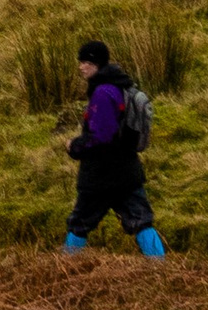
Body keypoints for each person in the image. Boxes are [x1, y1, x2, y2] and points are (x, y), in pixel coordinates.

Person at [63, 40, 167, 259]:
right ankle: (161, 267)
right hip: (127, 171)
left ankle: (64, 266)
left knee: (79, 223)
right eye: (81, 62)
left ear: (97, 64)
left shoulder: (103, 92)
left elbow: (101, 136)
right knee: (141, 221)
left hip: (100, 175)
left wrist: (75, 146)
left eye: (86, 62)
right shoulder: (121, 86)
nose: (81, 67)